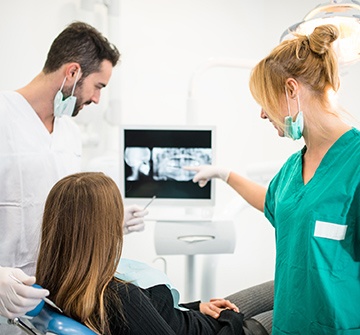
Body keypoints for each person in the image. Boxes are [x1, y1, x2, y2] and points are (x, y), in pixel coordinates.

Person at [185, 24, 360, 334]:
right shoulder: (295, 166)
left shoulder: (355, 163)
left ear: (292, 90)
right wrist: (226, 174)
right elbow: (272, 202)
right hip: (288, 325)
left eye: (264, 101)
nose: (263, 115)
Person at [0, 21, 147, 323]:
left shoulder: (69, 133)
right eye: (98, 87)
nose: (97, 99)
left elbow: (59, 212)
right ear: (72, 73)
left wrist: (108, 221)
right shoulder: (4, 119)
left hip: (50, 305)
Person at [34, 171, 272, 335]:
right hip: (227, 330)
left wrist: (195, 306)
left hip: (195, 318)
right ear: (102, 229)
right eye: (115, 214)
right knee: (302, 299)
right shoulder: (120, 297)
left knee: (285, 286)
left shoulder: (64, 282)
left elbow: (152, 316)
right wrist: (232, 320)